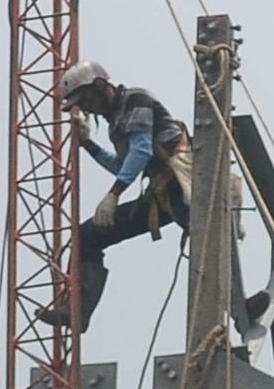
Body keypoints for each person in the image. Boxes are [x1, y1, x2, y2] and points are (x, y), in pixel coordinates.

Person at [45, 60, 192, 331]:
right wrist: (88, 145)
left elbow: (142, 150)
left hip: (182, 185)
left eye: (86, 99)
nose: (86, 108)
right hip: (160, 192)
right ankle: (78, 313)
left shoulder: (135, 99)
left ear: (100, 86)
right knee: (87, 236)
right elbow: (123, 165)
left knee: (205, 238)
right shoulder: (115, 122)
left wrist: (114, 193)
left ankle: (239, 302)